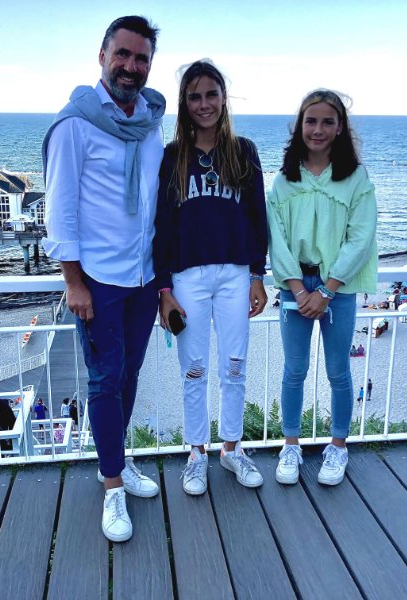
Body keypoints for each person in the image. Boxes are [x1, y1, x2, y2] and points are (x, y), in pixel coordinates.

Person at [41, 15, 164, 543]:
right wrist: (73, 282)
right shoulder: (76, 124)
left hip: (143, 276)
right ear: (102, 56)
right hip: (99, 280)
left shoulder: (153, 123)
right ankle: (112, 486)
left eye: (141, 58)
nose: (131, 67)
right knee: (103, 378)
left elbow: (157, 201)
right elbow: (60, 210)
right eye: (123, 55)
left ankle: (114, 459)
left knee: (130, 372)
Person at [153, 59, 268, 496]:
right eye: (195, 96)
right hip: (188, 278)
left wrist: (258, 274)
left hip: (236, 273)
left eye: (211, 94)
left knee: (235, 366)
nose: (204, 104)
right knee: (194, 370)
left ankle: (232, 449)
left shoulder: (244, 151)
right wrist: (163, 288)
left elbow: (257, 217)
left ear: (223, 98)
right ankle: (197, 453)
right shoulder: (172, 156)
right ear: (185, 103)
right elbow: (162, 226)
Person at [267, 89, 378, 487]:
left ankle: (338, 446)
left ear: (340, 127)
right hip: (294, 286)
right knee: (294, 370)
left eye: (327, 121)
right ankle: (290, 445)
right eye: (310, 121)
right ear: (299, 126)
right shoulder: (284, 181)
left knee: (338, 370)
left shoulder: (355, 179)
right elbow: (276, 240)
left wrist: (327, 290)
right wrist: (299, 290)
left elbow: (360, 238)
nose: (318, 129)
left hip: (338, 288)